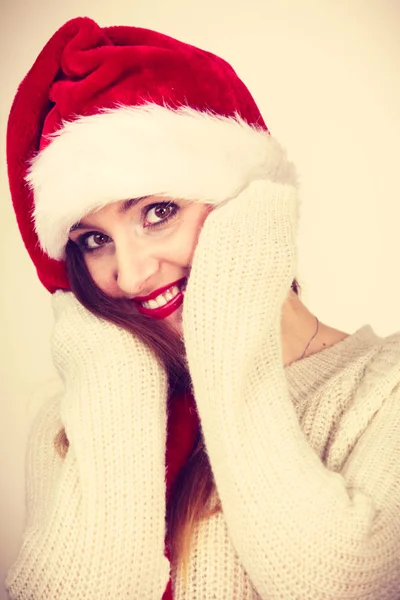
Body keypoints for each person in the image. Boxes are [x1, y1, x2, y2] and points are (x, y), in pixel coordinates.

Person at [5, 16, 400, 600]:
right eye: (94, 240)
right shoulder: (73, 422)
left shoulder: (382, 392)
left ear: (250, 205)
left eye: (158, 212)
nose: (132, 273)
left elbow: (342, 585)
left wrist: (233, 349)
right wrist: (116, 376)